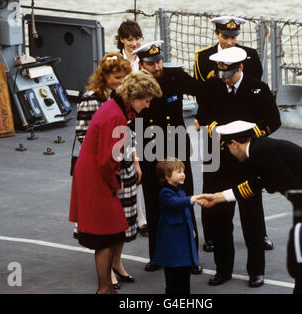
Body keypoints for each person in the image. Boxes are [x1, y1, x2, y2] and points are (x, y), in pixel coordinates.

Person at [69, 70, 162, 294]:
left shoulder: (114, 108)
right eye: (147, 101)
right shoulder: (116, 117)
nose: (147, 106)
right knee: (105, 235)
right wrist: (115, 182)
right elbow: (107, 160)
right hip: (98, 178)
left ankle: (106, 286)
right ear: (136, 97)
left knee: (109, 233)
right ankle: (104, 289)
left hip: (95, 173)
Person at [195, 47, 280, 287]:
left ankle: (256, 270)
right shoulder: (212, 87)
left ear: (240, 68)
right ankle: (223, 269)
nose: (224, 78)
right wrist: (213, 127)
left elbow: (274, 121)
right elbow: (203, 116)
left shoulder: (258, 89)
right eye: (221, 72)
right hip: (220, 160)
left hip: (247, 160)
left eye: (229, 73)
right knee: (221, 218)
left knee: (251, 217)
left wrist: (253, 134)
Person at [132, 40, 204, 274]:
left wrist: (202, 115)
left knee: (186, 199)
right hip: (149, 148)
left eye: (159, 61)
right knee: (154, 203)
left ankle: (192, 257)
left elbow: (203, 90)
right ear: (142, 64)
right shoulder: (133, 82)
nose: (157, 66)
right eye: (152, 64)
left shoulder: (175, 76)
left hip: (176, 146)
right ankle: (157, 256)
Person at [74, 52, 140, 289]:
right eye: (116, 77)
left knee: (124, 222)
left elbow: (130, 135)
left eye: (124, 77)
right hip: (107, 169)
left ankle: (117, 263)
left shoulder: (125, 99)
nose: (121, 81)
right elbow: (83, 134)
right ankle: (106, 278)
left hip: (123, 165)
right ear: (105, 77)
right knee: (109, 226)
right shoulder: (93, 99)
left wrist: (135, 161)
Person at [202, 120, 302, 226]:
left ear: (234, 144)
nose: (230, 153)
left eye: (228, 147)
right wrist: (218, 197)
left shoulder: (259, 152)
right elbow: (256, 184)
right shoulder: (258, 148)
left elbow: (289, 182)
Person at [153, 158, 207, 294]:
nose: (183, 174)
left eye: (183, 171)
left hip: (181, 237)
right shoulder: (166, 193)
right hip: (172, 240)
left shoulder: (179, 190)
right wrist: (191, 199)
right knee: (173, 275)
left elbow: (185, 213)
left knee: (184, 272)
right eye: (178, 172)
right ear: (167, 176)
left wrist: (191, 229)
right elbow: (175, 203)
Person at [115, 19, 148, 236]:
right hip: (124, 118)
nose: (134, 43)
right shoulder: (115, 61)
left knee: (145, 165)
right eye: (129, 39)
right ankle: (139, 215)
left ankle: (145, 212)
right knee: (129, 168)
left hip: (144, 116)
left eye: (136, 39)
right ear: (121, 40)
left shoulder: (146, 59)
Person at [194, 16, 263, 83]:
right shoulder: (203, 57)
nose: (229, 43)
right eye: (225, 37)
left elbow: (255, 84)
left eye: (233, 37)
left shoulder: (250, 55)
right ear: (216, 34)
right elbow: (200, 88)